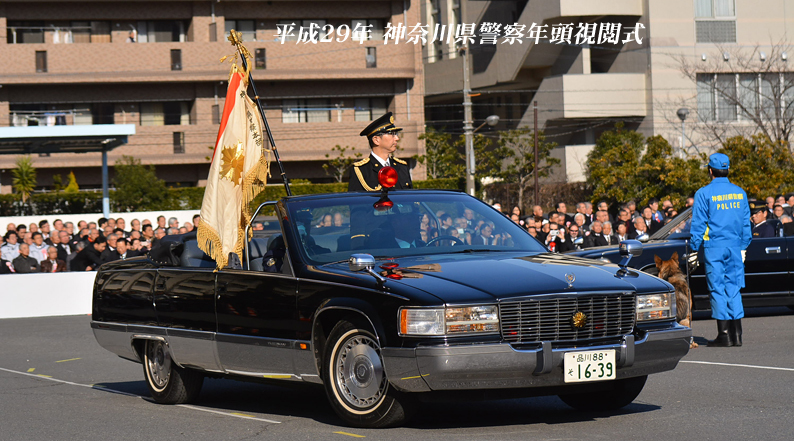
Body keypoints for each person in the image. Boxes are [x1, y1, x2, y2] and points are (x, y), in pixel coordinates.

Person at [689, 153, 752, 347]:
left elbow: (699, 223)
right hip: (734, 246)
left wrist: (693, 247)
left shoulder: (704, 193)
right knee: (734, 287)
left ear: (710, 171)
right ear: (728, 170)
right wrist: (743, 246)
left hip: (714, 247)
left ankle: (724, 335)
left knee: (717, 288)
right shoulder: (739, 192)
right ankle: (737, 335)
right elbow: (745, 223)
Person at [348, 112, 412, 191]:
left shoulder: (402, 167)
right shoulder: (361, 170)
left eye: (396, 134)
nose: (397, 138)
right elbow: (356, 202)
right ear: (376, 140)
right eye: (391, 134)